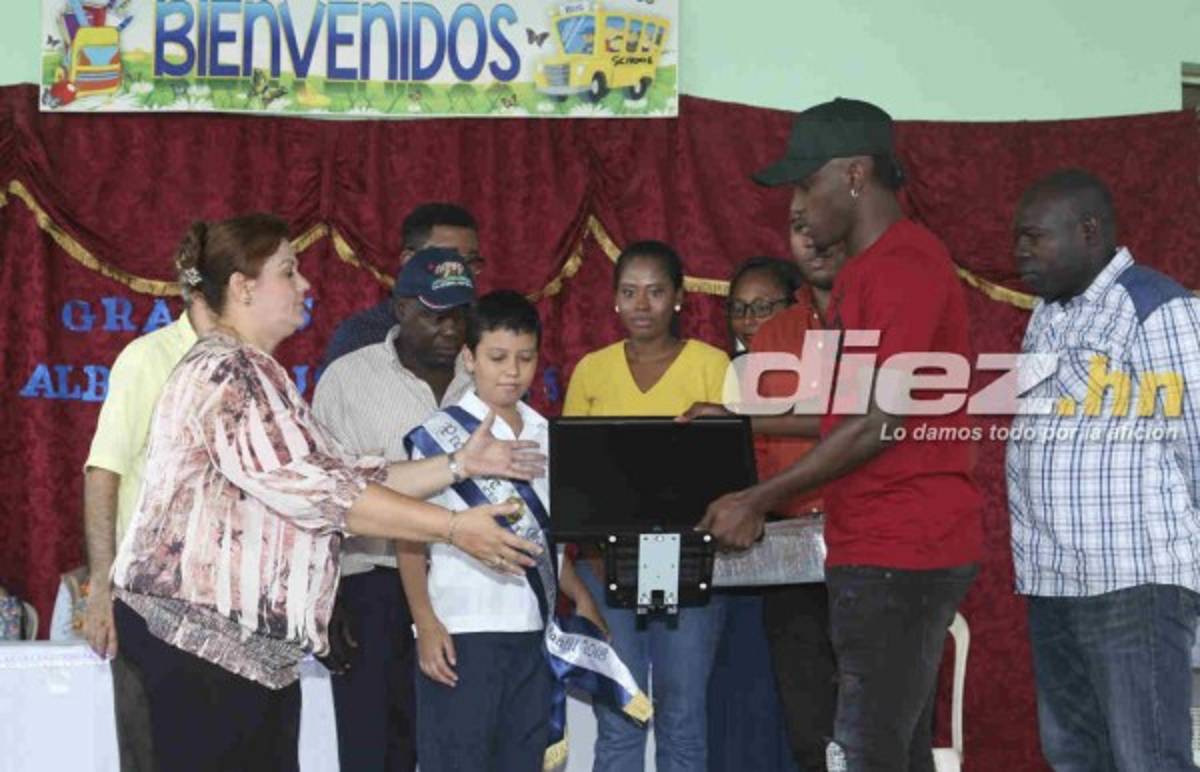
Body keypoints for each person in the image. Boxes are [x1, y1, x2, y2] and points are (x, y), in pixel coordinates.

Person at [110, 214, 541, 771]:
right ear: (243, 288)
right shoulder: (229, 372)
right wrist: (454, 528)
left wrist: (458, 464)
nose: (305, 284)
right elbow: (327, 495)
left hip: (239, 658)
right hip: (196, 653)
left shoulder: (258, 372)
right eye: (288, 272)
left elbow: (342, 474)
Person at [699, 97, 983, 771]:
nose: (797, 206)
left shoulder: (904, 266)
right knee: (892, 752)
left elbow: (879, 421)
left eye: (806, 184)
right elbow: (846, 410)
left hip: (902, 547)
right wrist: (746, 424)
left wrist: (758, 498)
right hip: (878, 542)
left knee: (864, 754)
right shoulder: (865, 273)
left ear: (856, 175)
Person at [1007, 169, 1200, 771]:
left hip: (1133, 581)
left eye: (1035, 236)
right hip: (1053, 580)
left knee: (1149, 758)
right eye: (1017, 237)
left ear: (1089, 231)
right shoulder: (1047, 315)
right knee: (1074, 756)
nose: (1020, 251)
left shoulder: (1155, 307)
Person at [401, 290, 637, 771]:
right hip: (461, 630)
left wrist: (581, 597)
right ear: (469, 358)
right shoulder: (438, 435)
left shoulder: (547, 435)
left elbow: (546, 539)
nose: (512, 371)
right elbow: (407, 536)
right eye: (497, 357)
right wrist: (425, 622)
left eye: (525, 358)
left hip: (533, 631)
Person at [563, 240, 731, 772]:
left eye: (656, 292)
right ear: (614, 299)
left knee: (683, 716)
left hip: (688, 561)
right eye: (630, 292)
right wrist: (586, 555)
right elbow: (573, 475)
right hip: (606, 562)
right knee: (621, 713)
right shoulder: (592, 370)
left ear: (679, 297)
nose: (642, 305)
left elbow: (733, 472)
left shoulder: (712, 365)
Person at [312, 245, 480, 771]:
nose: (450, 329)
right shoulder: (347, 380)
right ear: (401, 308)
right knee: (373, 748)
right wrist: (326, 601)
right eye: (435, 315)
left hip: (467, 585)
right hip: (373, 587)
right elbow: (318, 498)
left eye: (460, 315)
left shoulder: (485, 377)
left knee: (455, 748)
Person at [81, 254, 216, 771]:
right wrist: (100, 589)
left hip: (227, 607)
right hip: (151, 603)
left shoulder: (250, 363)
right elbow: (103, 472)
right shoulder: (147, 359)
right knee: (153, 753)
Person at [745, 241, 847, 772]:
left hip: (872, 546)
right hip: (790, 551)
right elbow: (760, 451)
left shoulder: (886, 321)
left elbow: (874, 425)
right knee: (808, 722)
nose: (816, 244)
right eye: (801, 229)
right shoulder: (773, 338)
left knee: (882, 721)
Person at [322, 202, 484, 368]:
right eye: (446, 259)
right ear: (409, 261)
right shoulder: (361, 338)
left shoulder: (484, 329)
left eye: (470, 261)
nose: (461, 270)